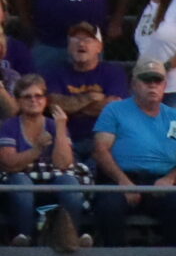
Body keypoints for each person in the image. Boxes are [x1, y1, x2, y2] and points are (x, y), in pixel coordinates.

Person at [90, 58, 176, 246]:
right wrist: (123, 181)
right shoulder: (114, 110)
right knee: (108, 207)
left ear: (164, 85)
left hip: (161, 182)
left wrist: (170, 179)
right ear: (133, 84)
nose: (152, 85)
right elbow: (100, 150)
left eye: (157, 81)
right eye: (146, 80)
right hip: (120, 180)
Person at [2, 75, 90, 249]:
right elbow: (9, 163)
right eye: (27, 96)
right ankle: (24, 237)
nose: (33, 100)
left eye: (38, 96)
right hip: (19, 181)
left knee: (70, 183)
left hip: (52, 180)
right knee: (20, 182)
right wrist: (37, 150)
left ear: (46, 100)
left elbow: (63, 164)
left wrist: (60, 127)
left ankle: (72, 237)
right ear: (18, 101)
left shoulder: (54, 124)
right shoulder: (9, 126)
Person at [39, 20, 120, 160]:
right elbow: (54, 106)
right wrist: (90, 98)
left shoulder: (113, 73)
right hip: (65, 139)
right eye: (76, 39)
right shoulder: (55, 73)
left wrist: (71, 107)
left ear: (99, 47)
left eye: (88, 40)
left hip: (101, 141)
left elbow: (114, 108)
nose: (81, 44)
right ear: (68, 46)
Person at [17, 0, 109, 76]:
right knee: (40, 82)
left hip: (90, 41)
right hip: (48, 41)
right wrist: (24, 20)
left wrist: (115, 22)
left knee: (90, 82)